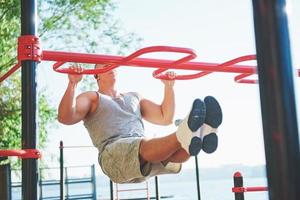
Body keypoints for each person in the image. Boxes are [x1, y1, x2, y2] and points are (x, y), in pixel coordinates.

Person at [58, 64, 222, 183]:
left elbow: (165, 118)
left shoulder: (133, 97)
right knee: (144, 144)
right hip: (113, 154)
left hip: (147, 155)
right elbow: (66, 117)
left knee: (177, 151)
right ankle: (187, 132)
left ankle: (198, 134)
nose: (112, 68)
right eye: (106, 65)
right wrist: (72, 84)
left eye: (114, 65)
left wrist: (169, 87)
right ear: (96, 75)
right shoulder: (92, 97)